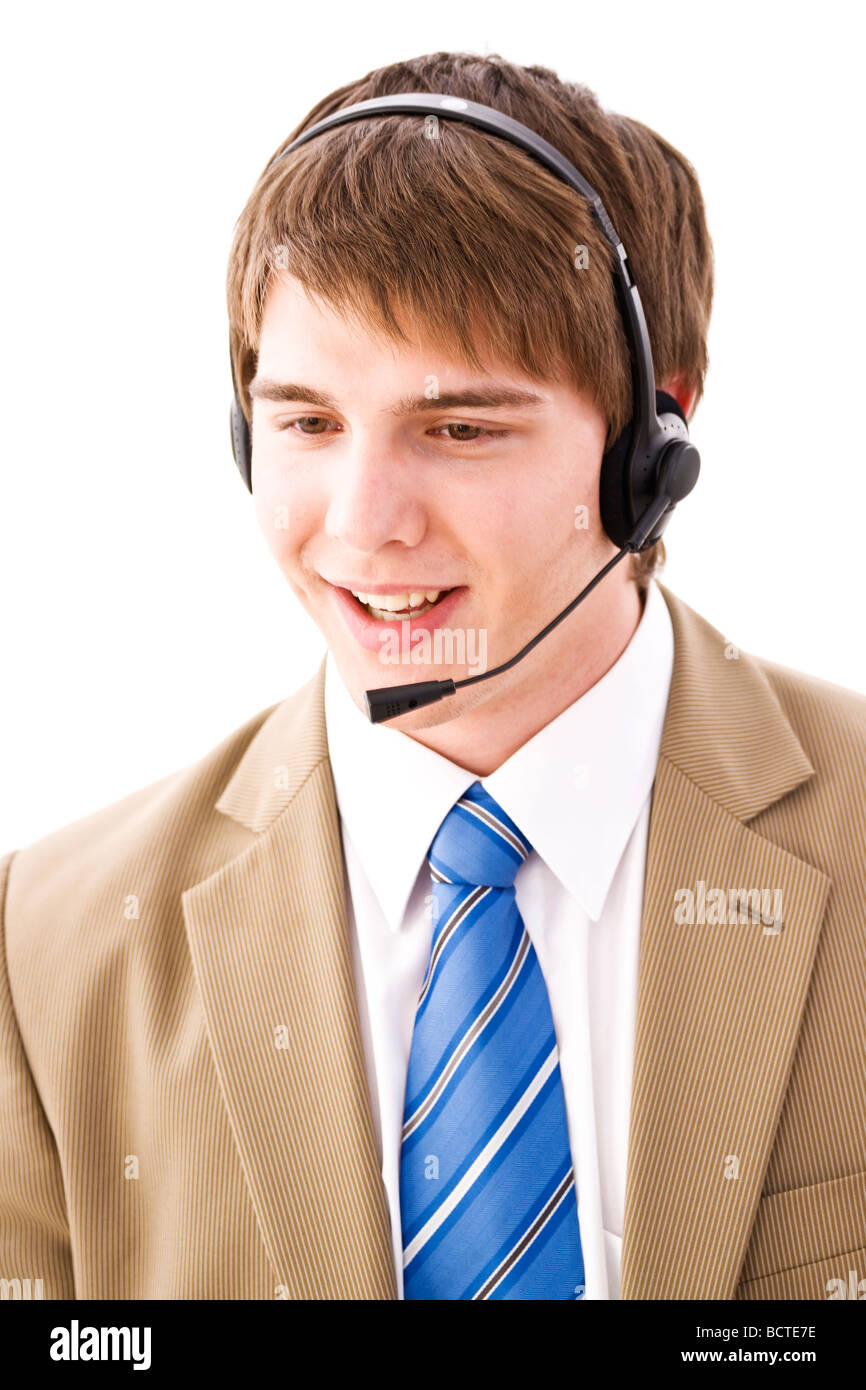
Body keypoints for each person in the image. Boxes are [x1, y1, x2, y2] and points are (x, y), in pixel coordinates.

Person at [2, 50, 865, 1303]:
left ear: (652, 444)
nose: (362, 525)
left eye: (457, 428)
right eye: (304, 422)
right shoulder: (48, 949)